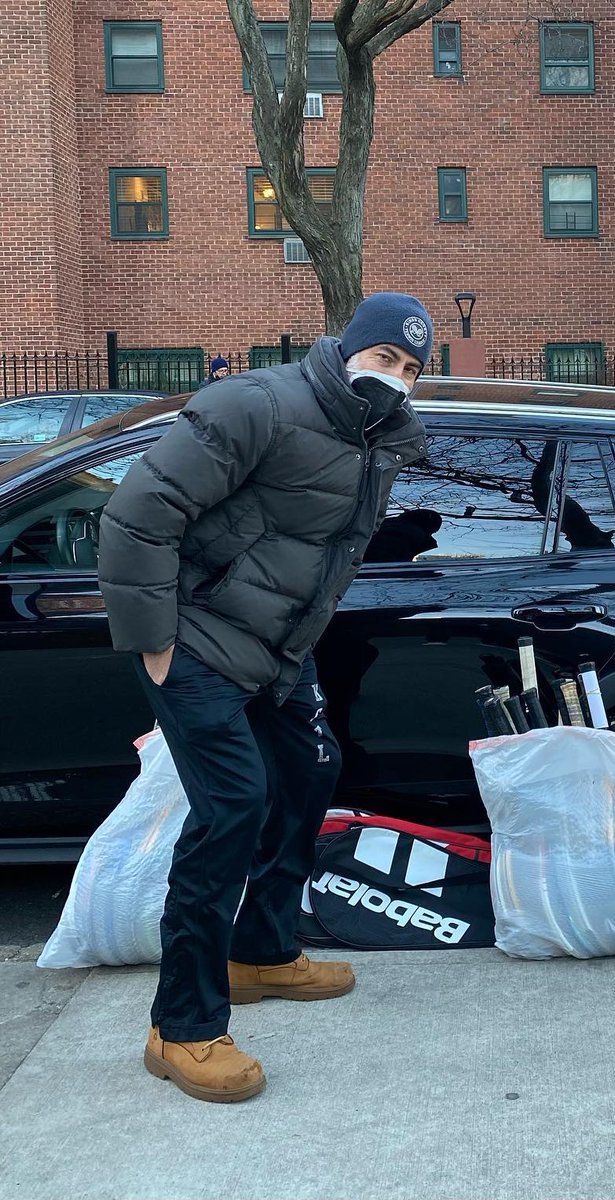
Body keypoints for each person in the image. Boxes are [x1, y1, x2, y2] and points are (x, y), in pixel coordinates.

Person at [97, 292, 433, 1101]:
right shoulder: (256, 403)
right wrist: (155, 642)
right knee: (233, 808)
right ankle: (182, 1027)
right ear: (349, 348)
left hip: (281, 650)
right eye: (385, 358)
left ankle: (262, 951)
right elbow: (137, 516)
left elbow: (319, 545)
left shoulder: (377, 439)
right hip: (199, 641)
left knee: (313, 771)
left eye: (412, 370)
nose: (395, 379)